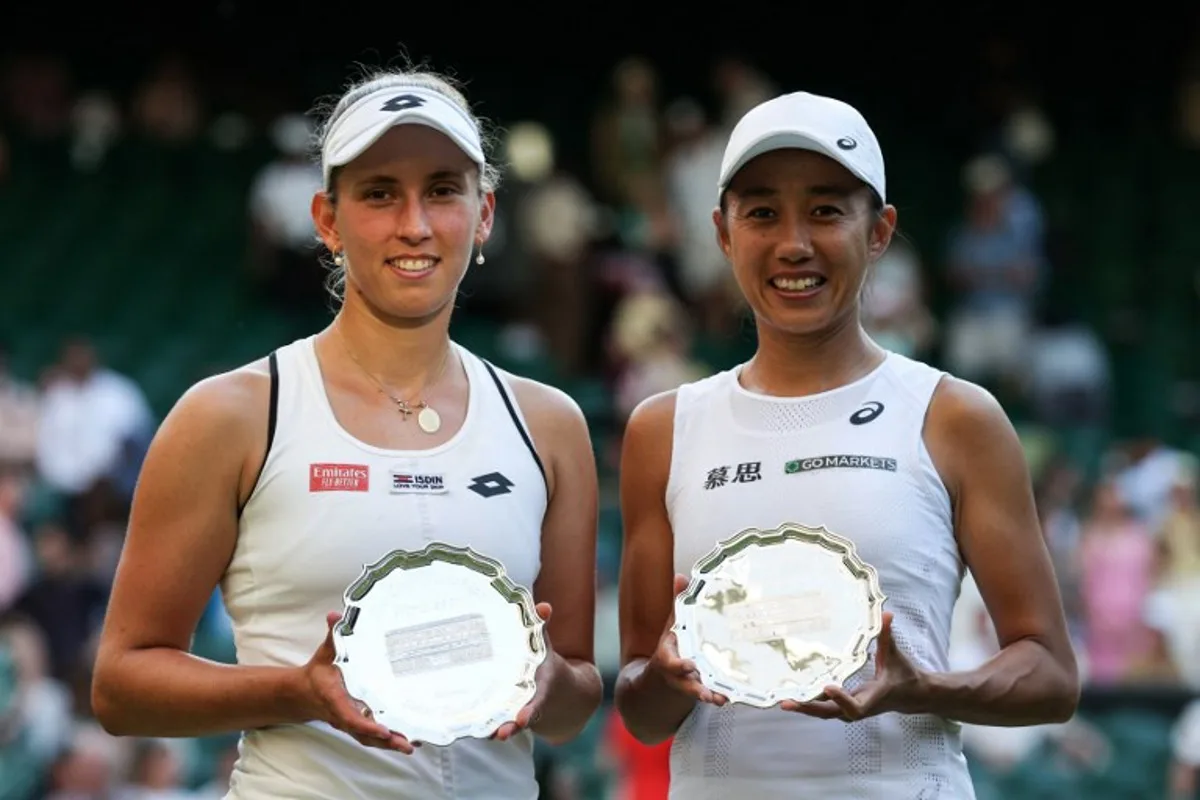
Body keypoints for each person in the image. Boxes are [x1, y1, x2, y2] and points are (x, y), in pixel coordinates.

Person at [91, 65, 603, 799]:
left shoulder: (550, 423)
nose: (415, 224)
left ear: (485, 213)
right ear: (326, 220)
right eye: (379, 193)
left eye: (442, 190)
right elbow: (120, 687)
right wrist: (301, 689)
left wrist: (549, 682)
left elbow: (572, 704)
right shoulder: (232, 413)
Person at [614, 91, 1080, 799]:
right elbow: (642, 712)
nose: (794, 243)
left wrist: (928, 687)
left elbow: (1050, 674)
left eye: (827, 210)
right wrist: (669, 676)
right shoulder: (662, 428)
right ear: (723, 233)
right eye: (763, 212)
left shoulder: (954, 416)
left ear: (880, 231)